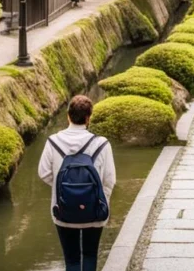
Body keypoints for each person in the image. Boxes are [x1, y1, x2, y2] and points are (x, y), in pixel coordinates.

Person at [38, 95, 116, 271]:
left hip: (63, 211)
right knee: (90, 255)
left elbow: (43, 173)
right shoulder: (102, 144)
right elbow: (110, 180)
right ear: (88, 118)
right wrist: (98, 200)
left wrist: (63, 190)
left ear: (68, 116)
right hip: (95, 212)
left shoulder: (53, 142)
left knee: (71, 260)